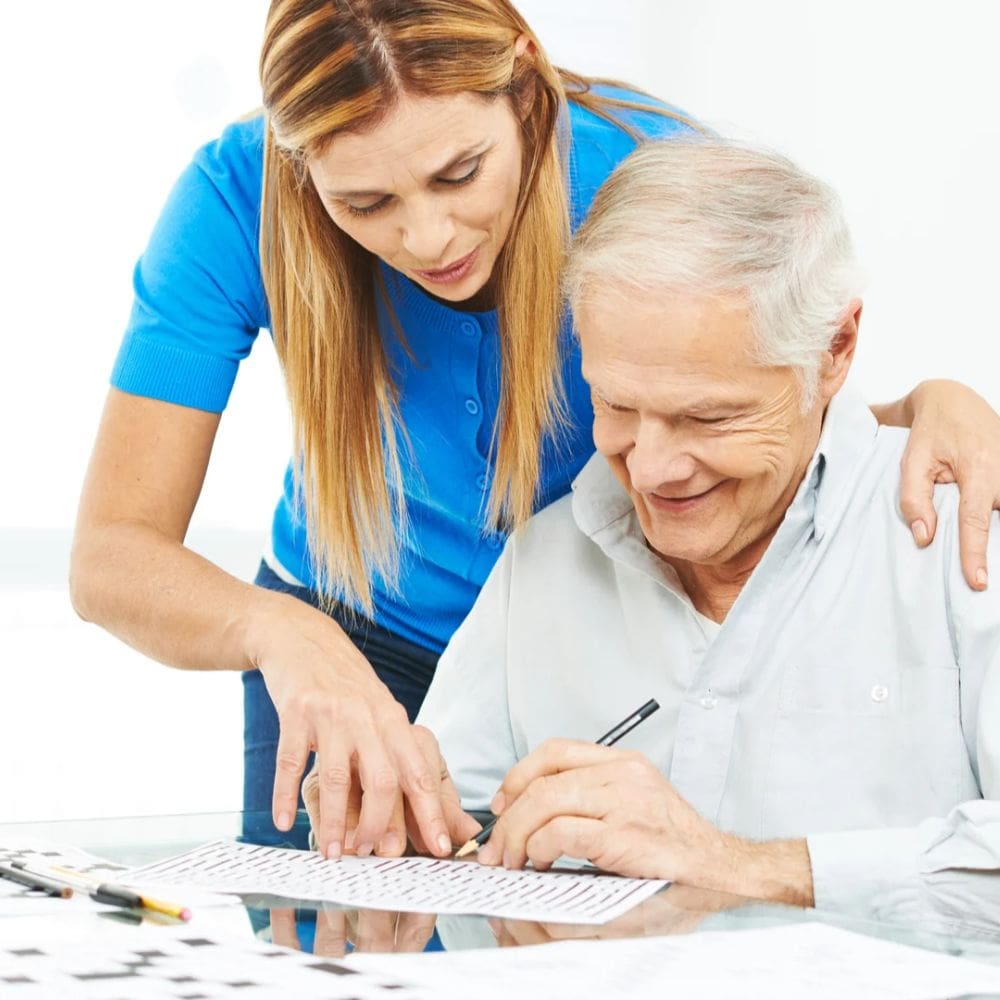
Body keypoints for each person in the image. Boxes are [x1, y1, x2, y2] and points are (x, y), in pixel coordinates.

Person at [70, 0, 1000, 864]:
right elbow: (112, 555)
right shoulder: (236, 204)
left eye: (459, 173)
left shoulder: (644, 177)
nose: (430, 238)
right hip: (347, 645)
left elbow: (762, 403)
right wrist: (284, 633)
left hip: (575, 656)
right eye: (365, 204)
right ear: (299, 163)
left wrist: (921, 404)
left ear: (523, 84)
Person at [415, 138, 1000, 923]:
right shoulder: (548, 558)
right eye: (616, 406)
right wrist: (392, 813)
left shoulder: (956, 536)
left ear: (835, 349)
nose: (652, 470)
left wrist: (735, 865)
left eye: (707, 417)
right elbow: (448, 830)